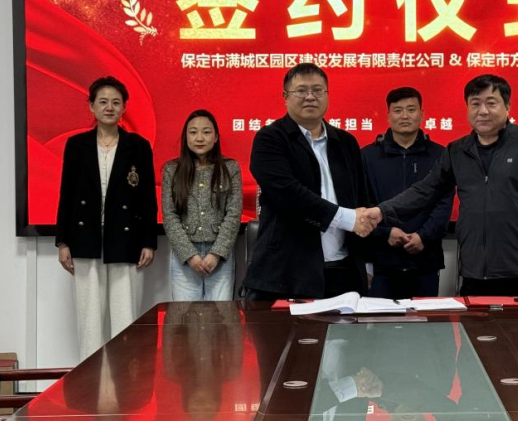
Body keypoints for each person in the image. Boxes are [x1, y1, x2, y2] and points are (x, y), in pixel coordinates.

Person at [376, 74, 518, 297]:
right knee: (474, 321)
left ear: (507, 106)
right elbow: (425, 191)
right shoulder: (457, 150)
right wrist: (381, 212)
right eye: (475, 104)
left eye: (491, 103)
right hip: (473, 271)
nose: (483, 111)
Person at [241, 63, 380, 300]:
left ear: (327, 95)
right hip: (287, 274)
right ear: (285, 97)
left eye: (317, 90)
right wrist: (348, 219)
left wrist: (366, 263)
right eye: (301, 90)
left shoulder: (346, 142)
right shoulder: (270, 139)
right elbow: (289, 194)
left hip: (343, 272)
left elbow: (362, 198)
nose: (310, 97)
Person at [55, 76, 158, 359]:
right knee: (89, 320)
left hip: (126, 239)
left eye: (115, 102)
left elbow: (148, 198)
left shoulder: (138, 146)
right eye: (102, 102)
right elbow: (67, 194)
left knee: (125, 318)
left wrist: (148, 242)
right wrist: (63, 242)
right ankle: (91, 382)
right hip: (84, 238)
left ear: (124, 107)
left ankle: (124, 380)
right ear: (91, 106)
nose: (109, 107)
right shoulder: (76, 145)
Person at [361, 87, 454, 299]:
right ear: (388, 115)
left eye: (411, 110)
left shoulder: (441, 155)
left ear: (422, 114)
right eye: (398, 110)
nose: (405, 116)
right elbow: (363, 203)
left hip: (425, 259)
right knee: (380, 320)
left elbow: (444, 202)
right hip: (381, 261)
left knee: (424, 319)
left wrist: (423, 236)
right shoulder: (367, 156)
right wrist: (386, 233)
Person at [162, 109, 242, 301]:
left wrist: (216, 253)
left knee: (221, 315)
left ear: (216, 137)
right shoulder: (172, 170)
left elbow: (233, 213)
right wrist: (190, 255)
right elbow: (169, 215)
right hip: (185, 256)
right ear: (186, 137)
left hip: (220, 256)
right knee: (185, 314)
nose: (199, 138)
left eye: (206, 132)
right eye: (193, 132)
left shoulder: (230, 168)